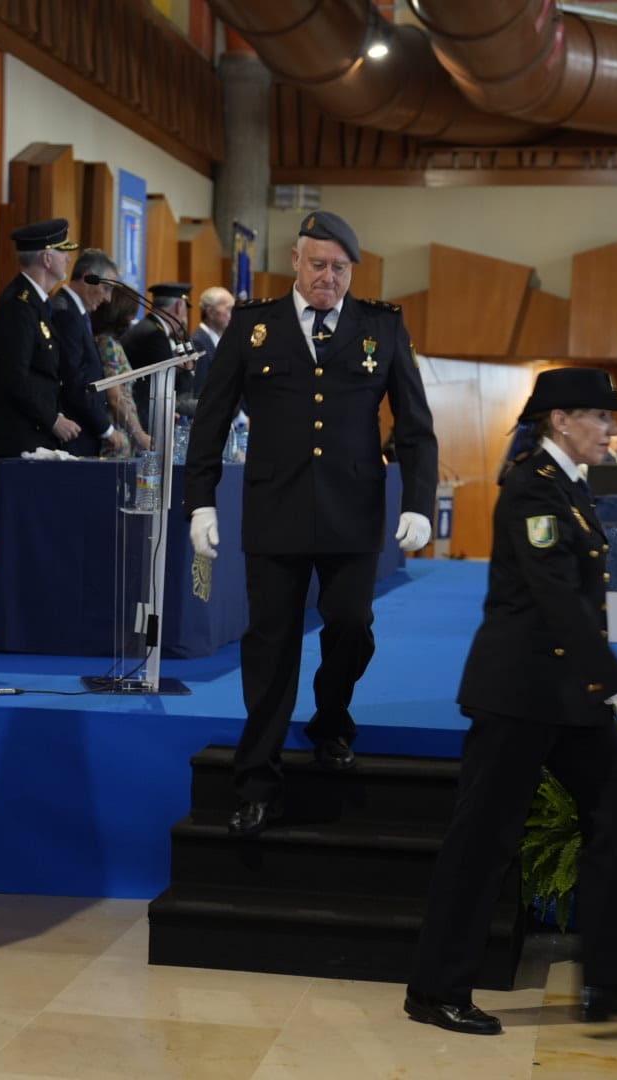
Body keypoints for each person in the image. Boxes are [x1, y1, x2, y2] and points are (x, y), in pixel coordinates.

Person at [405, 367, 617, 1037]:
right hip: (520, 695)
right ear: (560, 420)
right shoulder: (532, 489)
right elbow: (558, 603)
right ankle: (435, 990)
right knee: (484, 841)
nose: (612, 431)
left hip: (568, 698)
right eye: (601, 418)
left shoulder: (574, 490)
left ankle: (614, 982)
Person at [183, 210, 438, 837]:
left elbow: (415, 424)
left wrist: (418, 505)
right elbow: (210, 423)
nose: (329, 278)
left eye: (341, 268)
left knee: (351, 625)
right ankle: (258, 780)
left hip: (354, 513)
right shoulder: (253, 327)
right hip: (275, 511)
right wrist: (202, 502)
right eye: (319, 265)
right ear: (295, 261)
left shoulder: (382, 326)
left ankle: (330, 719)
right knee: (270, 645)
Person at [0, 218, 82, 459]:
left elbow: (43, 376)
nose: (69, 259)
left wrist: (57, 415)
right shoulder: (18, 306)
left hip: (32, 430)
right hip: (16, 436)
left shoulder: (35, 303)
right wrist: (52, 419)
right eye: (63, 252)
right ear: (47, 259)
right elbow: (14, 377)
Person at [50, 248, 127, 458]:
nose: (108, 299)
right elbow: (75, 379)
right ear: (87, 278)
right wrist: (107, 429)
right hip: (73, 431)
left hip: (83, 430)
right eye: (106, 288)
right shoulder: (65, 312)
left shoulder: (78, 313)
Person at [124, 282, 193, 422]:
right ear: (179, 307)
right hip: (143, 418)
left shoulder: (150, 327)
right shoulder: (155, 334)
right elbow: (165, 383)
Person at [93, 287, 150, 458]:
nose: (133, 319)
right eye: (132, 313)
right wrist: (140, 436)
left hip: (124, 431)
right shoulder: (106, 343)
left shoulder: (112, 342)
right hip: (115, 437)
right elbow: (115, 397)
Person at [191, 285, 235, 392]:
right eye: (229, 309)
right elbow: (200, 389)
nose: (233, 315)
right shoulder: (198, 343)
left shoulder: (224, 341)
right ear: (210, 312)